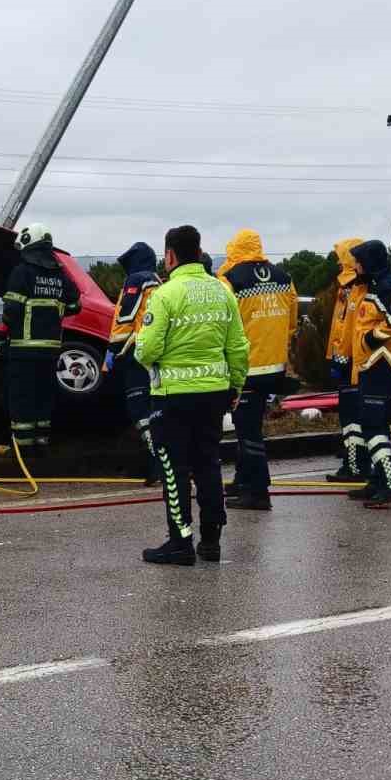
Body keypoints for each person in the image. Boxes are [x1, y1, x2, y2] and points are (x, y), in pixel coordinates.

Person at [135, 224, 249, 566]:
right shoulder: (222, 291)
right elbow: (238, 347)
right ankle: (211, 542)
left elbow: (148, 349)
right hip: (214, 393)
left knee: (174, 468)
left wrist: (141, 348)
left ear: (169, 255)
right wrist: (236, 386)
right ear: (199, 253)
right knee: (208, 464)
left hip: (172, 397)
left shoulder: (165, 295)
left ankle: (180, 542)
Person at [218, 229, 298, 512]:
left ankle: (259, 491)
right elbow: (292, 321)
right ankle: (242, 480)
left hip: (246, 367)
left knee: (247, 430)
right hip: (275, 366)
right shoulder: (283, 277)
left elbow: (224, 324)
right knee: (249, 425)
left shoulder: (230, 280)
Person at [1, 223, 79, 458]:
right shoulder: (60, 274)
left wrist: (7, 323)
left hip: (23, 350)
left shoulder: (22, 272)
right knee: (44, 396)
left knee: (22, 397)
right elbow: (76, 305)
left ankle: (22, 449)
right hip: (51, 349)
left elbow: (11, 310)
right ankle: (41, 443)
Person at [345, 239, 391, 508]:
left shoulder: (389, 285)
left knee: (374, 424)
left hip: (381, 363)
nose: (356, 266)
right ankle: (378, 480)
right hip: (369, 364)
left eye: (359, 261)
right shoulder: (372, 284)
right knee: (370, 423)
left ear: (370, 262)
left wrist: (372, 340)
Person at [102, 240, 161, 485]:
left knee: (140, 412)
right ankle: (164, 462)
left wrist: (111, 353)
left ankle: (156, 464)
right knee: (155, 410)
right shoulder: (157, 281)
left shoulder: (136, 281)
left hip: (135, 353)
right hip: (155, 354)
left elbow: (125, 319)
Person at [324, 237, 367, 482]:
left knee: (352, 419)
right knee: (351, 418)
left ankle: (355, 465)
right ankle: (354, 461)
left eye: (342, 260)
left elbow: (349, 328)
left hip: (353, 361)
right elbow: (339, 327)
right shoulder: (349, 285)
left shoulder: (356, 287)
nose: (339, 266)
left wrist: (340, 359)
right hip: (348, 359)